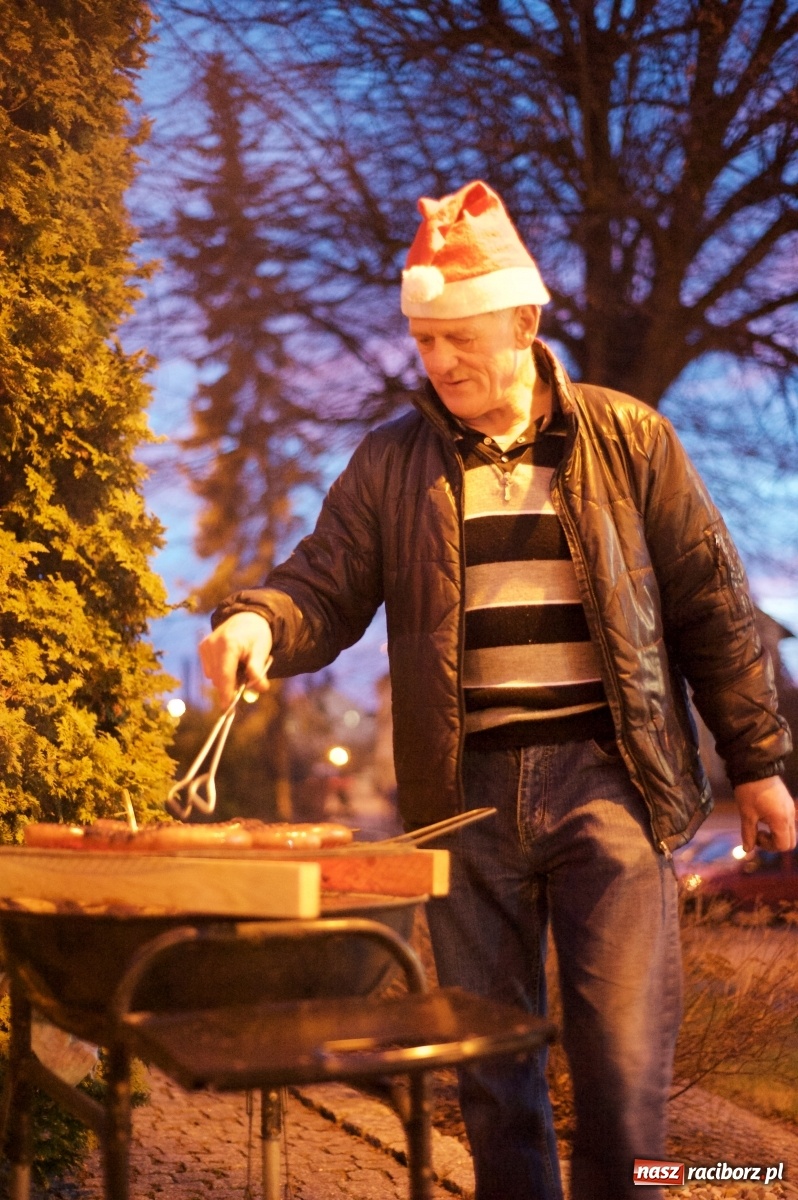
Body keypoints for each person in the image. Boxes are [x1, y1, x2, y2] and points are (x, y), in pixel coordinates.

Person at [199, 180, 795, 1200]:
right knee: (493, 1075)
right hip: (462, 797)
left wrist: (761, 765)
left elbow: (712, 602)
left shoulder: (630, 440)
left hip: (610, 787)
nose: (438, 362)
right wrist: (256, 619)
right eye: (425, 343)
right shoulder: (393, 463)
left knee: (623, 1076)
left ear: (523, 319)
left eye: (459, 337)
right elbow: (322, 585)